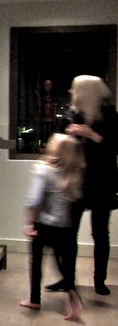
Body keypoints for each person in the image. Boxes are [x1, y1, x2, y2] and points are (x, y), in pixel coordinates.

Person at [47, 75, 118, 295]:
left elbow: (115, 146)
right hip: (75, 179)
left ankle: (99, 281)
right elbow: (59, 147)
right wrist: (68, 137)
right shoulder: (70, 115)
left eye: (75, 88)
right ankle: (67, 279)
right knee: (68, 232)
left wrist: (93, 136)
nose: (70, 92)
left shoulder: (109, 115)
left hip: (102, 180)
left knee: (100, 233)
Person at [21, 133, 84, 320]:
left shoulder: (43, 170)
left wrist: (29, 222)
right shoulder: (72, 172)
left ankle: (35, 300)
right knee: (63, 266)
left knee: (36, 262)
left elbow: (34, 199)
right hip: (64, 226)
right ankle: (74, 298)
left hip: (43, 224)